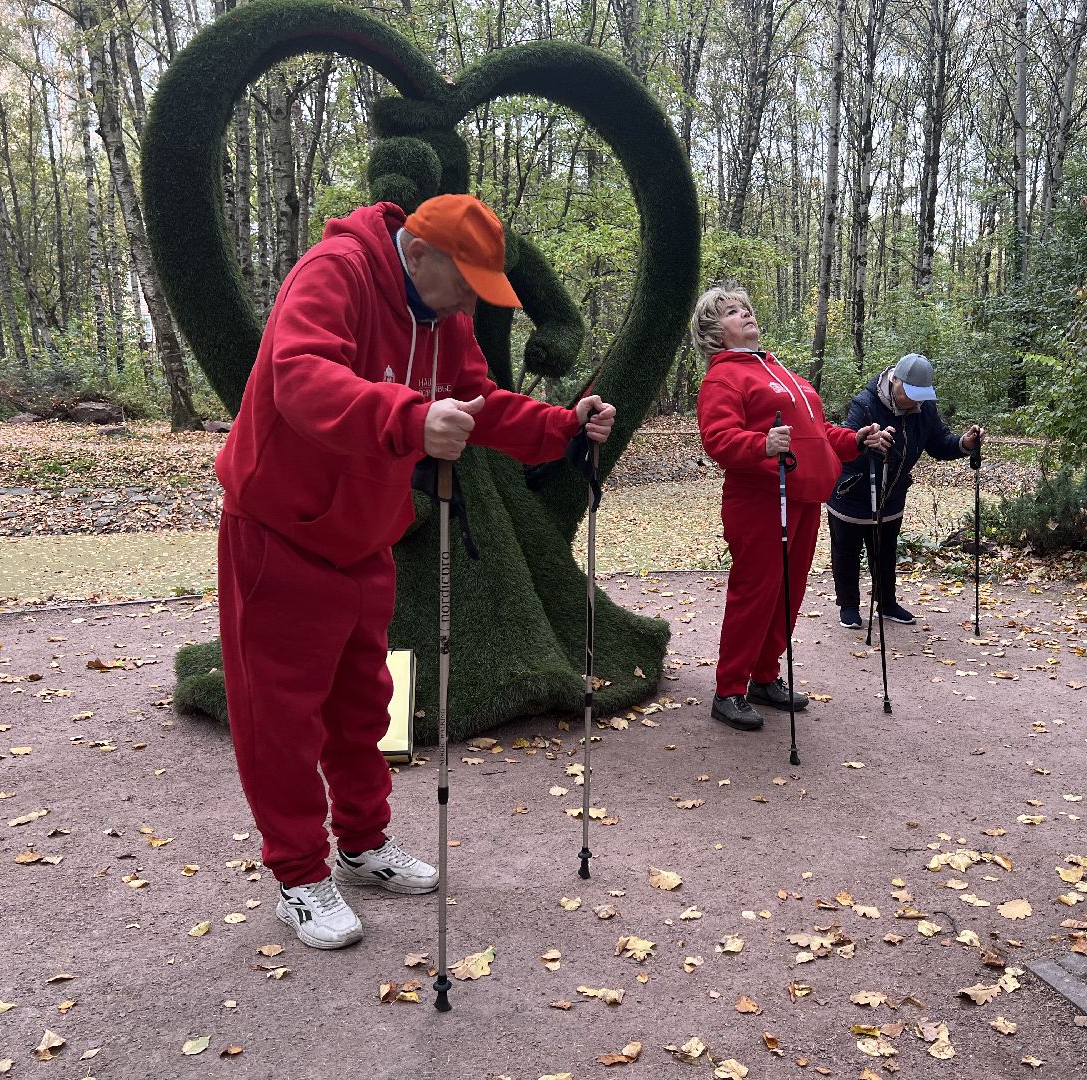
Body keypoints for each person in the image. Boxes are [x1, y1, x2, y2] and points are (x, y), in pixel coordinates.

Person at [216, 194, 615, 950]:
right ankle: (299, 876)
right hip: (279, 529)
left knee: (366, 706)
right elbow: (298, 377)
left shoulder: (445, 315)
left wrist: (563, 427)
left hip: (366, 536)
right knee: (280, 719)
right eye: (465, 285)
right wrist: (409, 419)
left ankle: (362, 844)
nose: (469, 304)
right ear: (419, 251)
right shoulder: (336, 270)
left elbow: (479, 402)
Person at [693, 284, 892, 731]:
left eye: (746, 307)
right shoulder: (723, 377)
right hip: (760, 500)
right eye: (732, 311)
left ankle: (764, 678)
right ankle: (729, 689)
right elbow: (717, 438)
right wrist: (761, 445)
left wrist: (856, 439)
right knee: (756, 593)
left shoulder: (777, 368)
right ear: (714, 332)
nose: (745, 313)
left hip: (803, 498)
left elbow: (816, 432)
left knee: (788, 593)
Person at [827, 353, 983, 629]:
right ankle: (848, 606)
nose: (914, 400)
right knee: (846, 552)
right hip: (852, 492)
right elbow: (846, 444)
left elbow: (939, 443)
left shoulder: (925, 408)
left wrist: (964, 443)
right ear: (894, 380)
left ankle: (887, 603)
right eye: (910, 393)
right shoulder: (865, 403)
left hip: (892, 494)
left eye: (920, 395)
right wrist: (868, 442)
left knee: (885, 551)